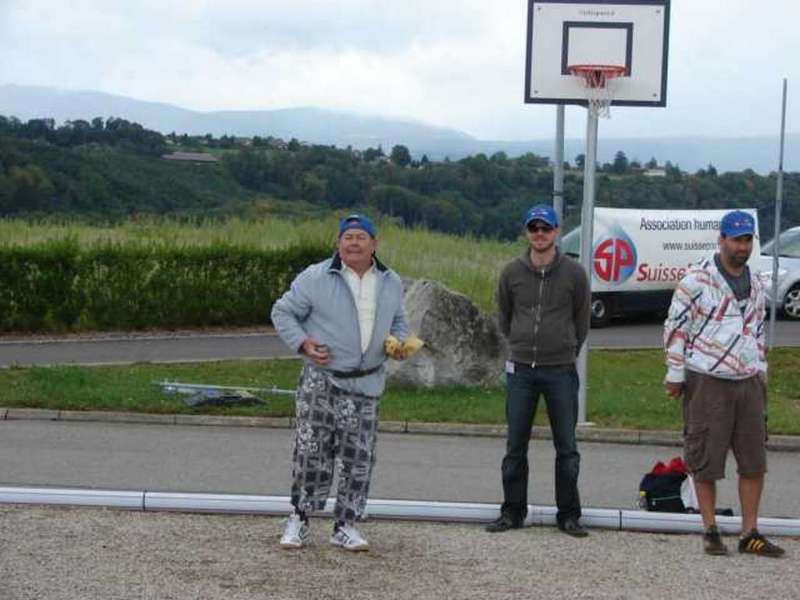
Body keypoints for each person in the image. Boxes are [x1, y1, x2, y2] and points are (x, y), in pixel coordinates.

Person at [271, 214, 409, 552]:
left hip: (367, 385)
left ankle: (346, 524)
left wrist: (399, 342)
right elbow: (282, 311)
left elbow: (400, 321)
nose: (353, 242)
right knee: (311, 453)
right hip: (321, 382)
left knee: (358, 458)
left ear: (374, 244)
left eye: (361, 237)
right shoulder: (315, 277)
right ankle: (299, 519)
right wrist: (303, 343)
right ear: (338, 244)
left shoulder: (390, 281)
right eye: (347, 237)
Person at [664, 209, 785, 558]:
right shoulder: (696, 281)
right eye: (736, 239)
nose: (741, 247)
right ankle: (710, 528)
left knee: (754, 460)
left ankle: (750, 533)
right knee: (705, 457)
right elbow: (675, 330)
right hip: (707, 379)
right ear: (721, 240)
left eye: (747, 240)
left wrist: (761, 368)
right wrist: (675, 374)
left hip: (748, 381)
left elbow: (759, 330)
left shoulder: (759, 284)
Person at [486, 204, 591, 537]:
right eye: (534, 228)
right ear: (526, 232)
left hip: (560, 370)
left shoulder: (574, 273)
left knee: (567, 448)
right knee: (515, 446)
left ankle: (569, 515)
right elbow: (504, 315)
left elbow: (582, 319)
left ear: (557, 231)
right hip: (521, 371)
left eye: (546, 228)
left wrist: (565, 347)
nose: (540, 234)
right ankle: (512, 512)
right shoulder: (511, 273)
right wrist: (518, 343)